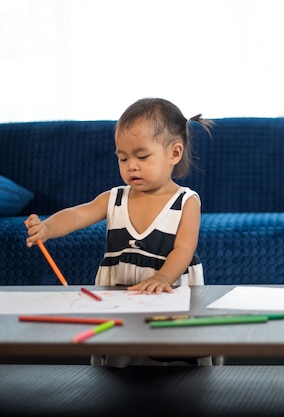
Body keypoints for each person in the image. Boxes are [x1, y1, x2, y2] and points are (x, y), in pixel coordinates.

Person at [25, 97, 213, 366]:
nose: (131, 165)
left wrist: (162, 278)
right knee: (116, 353)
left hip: (170, 296)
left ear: (174, 153)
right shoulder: (114, 198)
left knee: (180, 352)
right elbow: (78, 214)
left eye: (142, 156)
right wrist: (47, 227)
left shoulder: (186, 201)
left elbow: (184, 248)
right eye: (123, 158)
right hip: (121, 299)